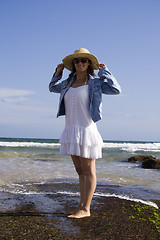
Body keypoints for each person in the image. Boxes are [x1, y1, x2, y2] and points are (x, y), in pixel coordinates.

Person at [49, 48, 121, 218]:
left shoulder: (95, 82)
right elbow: (52, 88)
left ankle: (86, 209)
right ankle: (81, 205)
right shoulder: (67, 83)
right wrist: (57, 73)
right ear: (73, 65)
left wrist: (105, 71)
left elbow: (115, 89)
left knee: (89, 171)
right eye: (77, 61)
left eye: (84, 61)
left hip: (86, 129)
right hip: (70, 129)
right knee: (80, 171)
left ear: (89, 64)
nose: (80, 63)